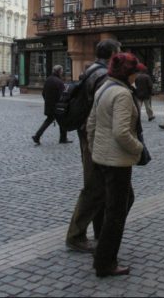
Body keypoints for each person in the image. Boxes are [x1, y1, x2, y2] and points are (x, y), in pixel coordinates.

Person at [87, 52, 144, 278]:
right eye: (134, 71)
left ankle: (102, 247)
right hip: (117, 161)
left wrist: (94, 148)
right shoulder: (121, 93)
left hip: (103, 157)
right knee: (115, 211)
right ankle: (105, 262)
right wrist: (138, 148)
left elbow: (91, 123)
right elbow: (121, 132)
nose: (137, 75)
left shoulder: (104, 88)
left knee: (118, 202)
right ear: (127, 73)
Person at [66, 39, 121, 253]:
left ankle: (100, 230)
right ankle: (76, 235)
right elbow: (102, 109)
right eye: (119, 51)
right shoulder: (102, 75)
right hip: (95, 136)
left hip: (87, 134)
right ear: (113, 54)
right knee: (94, 186)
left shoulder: (90, 70)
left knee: (99, 185)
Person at [32, 65, 72, 145]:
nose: (62, 72)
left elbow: (43, 93)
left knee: (48, 121)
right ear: (59, 72)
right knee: (62, 121)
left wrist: (48, 101)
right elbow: (63, 95)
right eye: (61, 71)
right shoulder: (59, 82)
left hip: (49, 105)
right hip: (57, 106)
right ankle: (62, 139)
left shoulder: (48, 80)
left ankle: (37, 136)